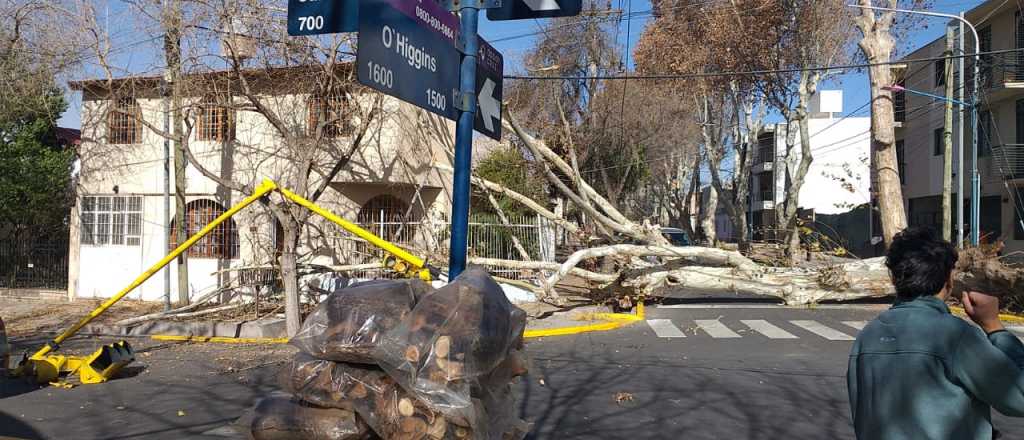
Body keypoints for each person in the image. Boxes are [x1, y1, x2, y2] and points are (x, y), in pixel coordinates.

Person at [847, 227, 1024, 440]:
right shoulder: (955, 336)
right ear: (949, 279)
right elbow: (1018, 398)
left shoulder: (868, 336)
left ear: (893, 278)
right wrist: (994, 326)